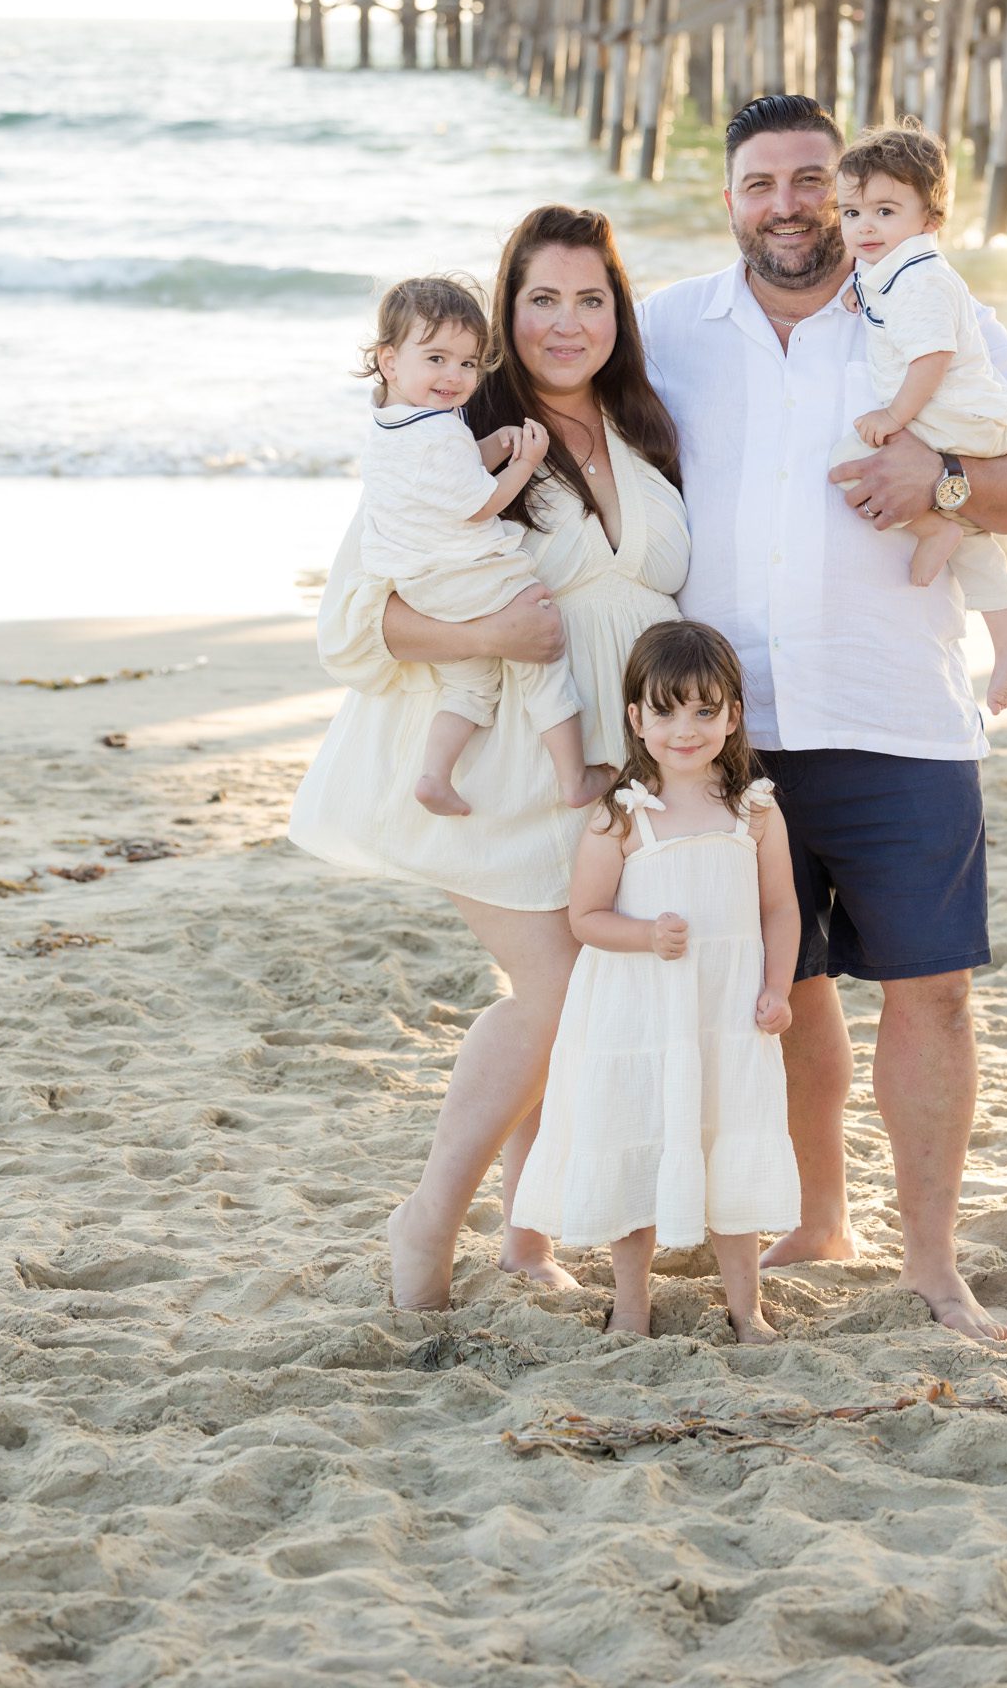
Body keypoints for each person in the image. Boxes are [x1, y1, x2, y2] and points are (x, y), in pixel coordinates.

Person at [639, 94, 1007, 1343]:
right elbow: (556, 404)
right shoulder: (671, 327)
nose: (787, 203)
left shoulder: (929, 304)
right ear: (727, 198)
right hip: (730, 731)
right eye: (760, 182)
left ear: (849, 190)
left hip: (899, 716)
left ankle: (932, 1262)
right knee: (793, 984)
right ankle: (821, 1214)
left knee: (929, 990)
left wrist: (938, 478)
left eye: (811, 180)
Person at [289, 205, 689, 1311]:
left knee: (586, 993)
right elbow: (363, 622)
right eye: (543, 298)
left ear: (620, 310)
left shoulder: (649, 430)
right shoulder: (455, 433)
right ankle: (428, 1216)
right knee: (558, 989)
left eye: (592, 297)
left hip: (612, 769)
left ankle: (528, 1235)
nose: (569, 321)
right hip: (506, 762)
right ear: (507, 313)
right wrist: (491, 636)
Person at [512, 620, 800, 1343]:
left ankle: (746, 1307)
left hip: (725, 1014)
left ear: (733, 716)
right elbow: (585, 917)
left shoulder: (754, 811)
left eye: (705, 711)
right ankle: (631, 1302)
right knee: (637, 1138)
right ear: (636, 718)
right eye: (666, 711)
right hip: (640, 1016)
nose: (686, 729)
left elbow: (780, 907)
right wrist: (642, 935)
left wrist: (778, 988)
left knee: (728, 1144)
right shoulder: (623, 816)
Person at [356, 273, 610, 816]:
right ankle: (575, 778)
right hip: (471, 576)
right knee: (543, 658)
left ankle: (434, 776)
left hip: (422, 584)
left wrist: (492, 444)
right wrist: (523, 462)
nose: (455, 376)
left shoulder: (390, 423)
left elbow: (445, 473)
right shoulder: (440, 434)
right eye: (437, 359)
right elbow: (479, 504)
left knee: (471, 683)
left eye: (468, 363)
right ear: (389, 360)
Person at [832, 122, 1007, 715]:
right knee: (976, 538)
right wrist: (857, 295)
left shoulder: (922, 280)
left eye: (885, 211)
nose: (863, 227)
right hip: (971, 419)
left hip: (960, 417)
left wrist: (893, 416)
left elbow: (931, 356)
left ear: (931, 219)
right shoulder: (888, 269)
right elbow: (880, 298)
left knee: (846, 463)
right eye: (850, 213)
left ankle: (929, 525)